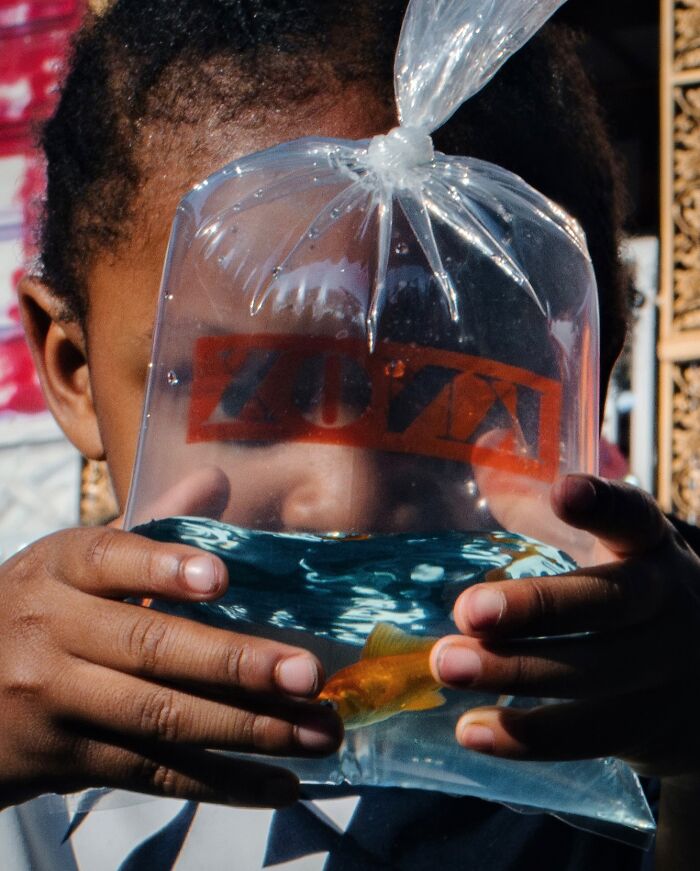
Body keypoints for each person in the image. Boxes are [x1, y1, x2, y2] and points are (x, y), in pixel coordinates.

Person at [3, 0, 699, 868]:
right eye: (250, 394)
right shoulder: (30, 719)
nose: (346, 496)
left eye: (450, 398)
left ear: (586, 377)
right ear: (72, 370)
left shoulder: (656, 694)